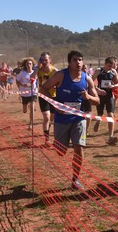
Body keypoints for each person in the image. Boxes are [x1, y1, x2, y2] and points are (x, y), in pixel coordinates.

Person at [40, 50, 100, 190]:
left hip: (79, 119)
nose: (78, 62)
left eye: (80, 60)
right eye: (75, 60)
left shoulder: (87, 78)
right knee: (61, 151)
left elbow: (97, 100)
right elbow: (43, 88)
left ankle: (75, 179)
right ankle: (59, 144)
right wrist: (55, 104)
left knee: (79, 148)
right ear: (69, 62)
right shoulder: (61, 75)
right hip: (61, 119)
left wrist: (88, 98)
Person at [92, 57, 118, 145]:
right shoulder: (99, 71)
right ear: (105, 64)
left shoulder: (113, 72)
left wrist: (113, 86)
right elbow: (90, 82)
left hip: (109, 96)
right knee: (100, 114)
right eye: (109, 66)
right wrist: (97, 90)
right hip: (100, 96)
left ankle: (111, 136)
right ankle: (98, 121)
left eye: (112, 66)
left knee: (111, 114)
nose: (110, 68)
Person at [32, 52, 59, 145]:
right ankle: (47, 139)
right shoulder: (39, 70)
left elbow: (61, 81)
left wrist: (56, 86)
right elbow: (31, 77)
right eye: (42, 60)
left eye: (46, 60)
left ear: (49, 60)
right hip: (43, 96)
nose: (44, 62)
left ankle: (50, 133)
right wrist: (37, 67)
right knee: (46, 117)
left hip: (54, 96)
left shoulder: (55, 71)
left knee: (52, 118)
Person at [16, 57, 38, 129]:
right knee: (25, 110)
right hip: (24, 93)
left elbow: (38, 81)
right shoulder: (22, 73)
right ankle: (25, 107)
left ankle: (31, 123)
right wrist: (22, 85)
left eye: (30, 64)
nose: (29, 65)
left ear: (32, 65)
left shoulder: (35, 72)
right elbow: (17, 80)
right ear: (25, 65)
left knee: (32, 107)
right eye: (27, 64)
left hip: (33, 92)